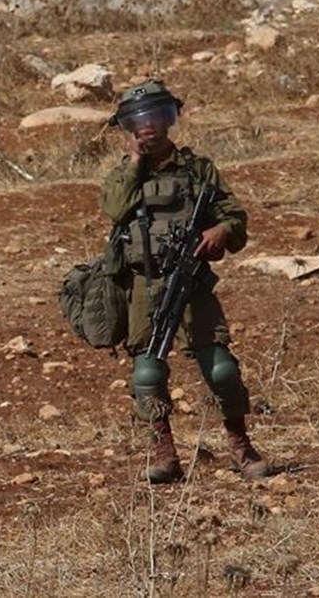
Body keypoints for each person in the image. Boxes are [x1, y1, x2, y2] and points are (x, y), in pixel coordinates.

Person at [99, 80, 269, 484]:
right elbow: (115, 208)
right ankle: (164, 453)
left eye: (157, 117)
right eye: (140, 121)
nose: (149, 128)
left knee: (221, 369)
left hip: (191, 282)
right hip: (145, 282)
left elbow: (235, 216)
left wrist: (221, 233)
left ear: (169, 119)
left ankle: (240, 445)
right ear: (129, 127)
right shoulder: (124, 175)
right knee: (147, 374)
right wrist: (136, 163)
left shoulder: (198, 169)